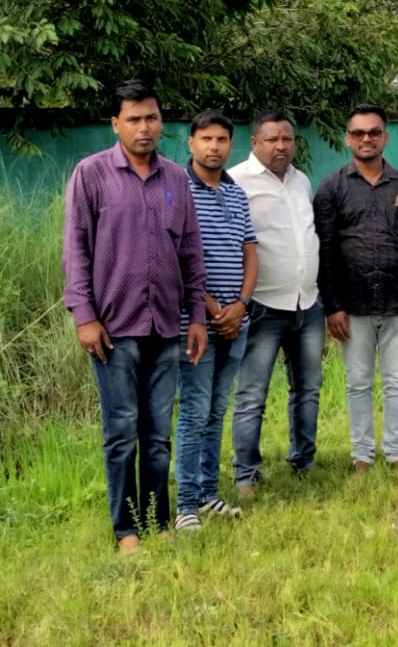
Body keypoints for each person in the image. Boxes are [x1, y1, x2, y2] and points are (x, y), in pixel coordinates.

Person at [62, 80, 207, 551]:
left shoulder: (176, 179)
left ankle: (158, 520)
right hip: (113, 328)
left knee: (158, 433)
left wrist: (196, 315)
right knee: (122, 432)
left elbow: (190, 251)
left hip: (164, 326)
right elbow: (76, 250)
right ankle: (126, 530)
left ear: (161, 123)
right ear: (115, 124)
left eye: (151, 118)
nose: (144, 127)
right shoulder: (92, 174)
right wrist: (84, 316)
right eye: (133, 119)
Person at [315, 105, 398, 471]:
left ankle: (396, 452)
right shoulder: (331, 188)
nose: (366, 139)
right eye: (358, 133)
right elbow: (324, 251)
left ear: (385, 137)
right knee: (358, 384)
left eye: (373, 132)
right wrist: (332, 306)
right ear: (347, 138)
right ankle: (362, 456)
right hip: (352, 307)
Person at [228, 111, 322, 496]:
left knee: (308, 388)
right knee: (252, 394)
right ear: (255, 143)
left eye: (287, 139)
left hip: (307, 304)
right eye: (272, 139)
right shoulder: (236, 181)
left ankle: (304, 460)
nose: (281, 146)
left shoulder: (301, 180)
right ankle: (246, 474)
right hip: (262, 306)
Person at [173, 111, 258, 530]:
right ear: (191, 142)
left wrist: (241, 304)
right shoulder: (177, 188)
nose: (214, 146)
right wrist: (212, 309)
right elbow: (177, 259)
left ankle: (208, 495)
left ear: (231, 144)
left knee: (216, 410)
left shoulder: (236, 193)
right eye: (206, 138)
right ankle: (186, 505)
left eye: (222, 139)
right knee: (194, 410)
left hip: (236, 320)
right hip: (195, 322)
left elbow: (250, 253)